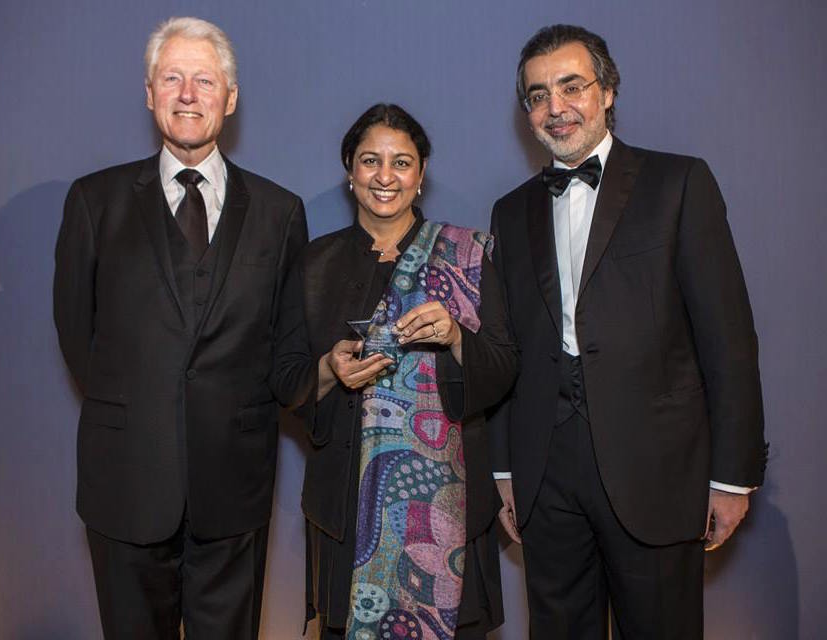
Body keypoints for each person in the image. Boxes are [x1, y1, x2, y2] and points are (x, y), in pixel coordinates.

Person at [488, 24, 767, 639]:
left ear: (607, 91)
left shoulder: (680, 184)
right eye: (537, 95)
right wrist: (505, 468)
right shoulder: (509, 213)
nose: (555, 107)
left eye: (571, 86)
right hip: (545, 475)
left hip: (659, 470)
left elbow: (729, 338)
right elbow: (508, 350)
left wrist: (731, 476)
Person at [53, 17, 307, 639]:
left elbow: (288, 337)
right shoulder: (94, 201)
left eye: (204, 79)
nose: (188, 93)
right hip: (126, 480)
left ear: (230, 98)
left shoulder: (280, 212)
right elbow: (76, 333)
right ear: (149, 92)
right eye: (172, 78)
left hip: (235, 483)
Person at [274, 104, 517, 640]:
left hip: (448, 512)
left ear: (421, 174)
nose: (386, 176)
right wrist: (330, 369)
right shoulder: (314, 264)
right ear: (349, 171)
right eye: (370, 161)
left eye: (401, 162)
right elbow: (286, 378)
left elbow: (503, 370)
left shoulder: (467, 255)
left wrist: (456, 336)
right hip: (348, 510)